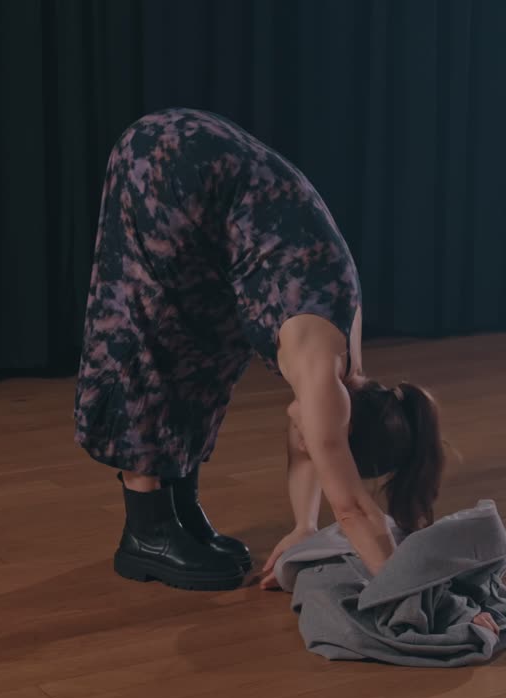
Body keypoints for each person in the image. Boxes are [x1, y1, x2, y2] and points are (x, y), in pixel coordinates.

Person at [74, 108, 446, 591]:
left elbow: (312, 445)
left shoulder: (343, 365)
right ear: (343, 426)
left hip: (206, 162)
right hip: (170, 160)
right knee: (156, 333)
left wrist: (304, 528)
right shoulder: (322, 376)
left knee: (211, 343)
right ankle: (148, 529)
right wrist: (405, 591)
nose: (308, 441)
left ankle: (178, 501)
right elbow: (353, 508)